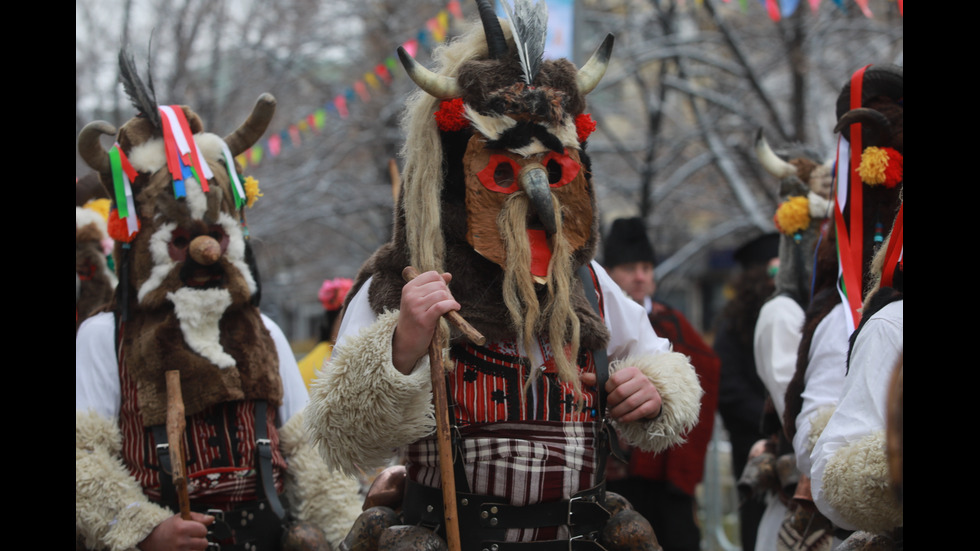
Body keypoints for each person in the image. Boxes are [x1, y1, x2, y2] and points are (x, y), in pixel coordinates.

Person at [305, 4, 703, 548]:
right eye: (503, 171)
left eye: (552, 170)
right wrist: (402, 348)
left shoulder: (590, 284)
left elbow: (665, 365)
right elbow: (340, 437)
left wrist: (653, 390)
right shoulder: (406, 284)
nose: (534, 194)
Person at [75, 57, 360, 551]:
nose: (206, 252)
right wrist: (143, 529)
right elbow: (83, 459)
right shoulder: (105, 337)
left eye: (215, 238)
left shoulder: (264, 332)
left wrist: (350, 535)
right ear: (145, 246)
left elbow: (309, 457)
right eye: (182, 239)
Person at [602, 217, 721, 551]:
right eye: (629, 267)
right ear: (609, 274)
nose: (640, 276)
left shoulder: (675, 323)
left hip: (667, 477)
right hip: (611, 474)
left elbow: (706, 376)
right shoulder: (594, 318)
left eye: (646, 267)